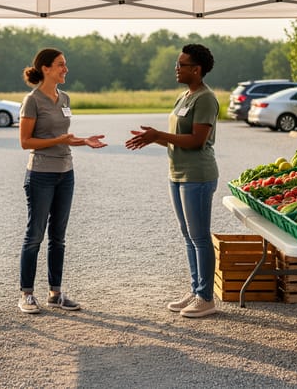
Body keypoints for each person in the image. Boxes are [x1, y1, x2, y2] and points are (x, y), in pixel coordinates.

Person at [125, 43, 220, 318]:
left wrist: (159, 135)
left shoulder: (205, 98)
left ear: (196, 69)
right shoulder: (184, 97)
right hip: (177, 174)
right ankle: (196, 289)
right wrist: (152, 138)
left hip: (197, 176)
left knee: (200, 237)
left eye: (181, 64)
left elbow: (197, 140)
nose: (176, 68)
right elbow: (177, 138)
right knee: (188, 236)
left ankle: (206, 298)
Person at [18, 48, 107, 314]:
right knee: (35, 235)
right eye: (60, 65)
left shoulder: (64, 98)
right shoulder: (32, 100)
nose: (65, 69)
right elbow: (26, 142)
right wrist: (61, 140)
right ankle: (26, 295)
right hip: (40, 175)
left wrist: (83, 141)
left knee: (59, 237)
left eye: (65, 64)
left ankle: (55, 294)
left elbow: (64, 137)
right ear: (45, 68)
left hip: (65, 173)